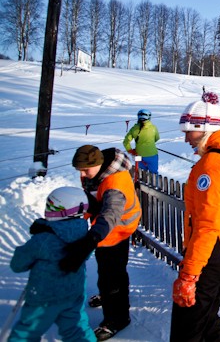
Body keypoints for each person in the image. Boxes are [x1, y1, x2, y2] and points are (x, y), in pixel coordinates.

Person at [171, 92, 220, 342]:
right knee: (206, 319)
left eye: (189, 131)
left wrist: (189, 274)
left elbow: (207, 225)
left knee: (187, 329)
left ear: (203, 128)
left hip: (211, 253)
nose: (185, 138)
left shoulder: (213, 164)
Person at [60, 145, 142, 341]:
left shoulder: (116, 184)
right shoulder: (93, 173)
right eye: (79, 170)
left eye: (85, 170)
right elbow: (92, 199)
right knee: (106, 270)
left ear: (98, 165)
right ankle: (108, 297)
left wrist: (91, 239)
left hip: (118, 229)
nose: (82, 174)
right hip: (105, 228)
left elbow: (109, 215)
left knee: (112, 275)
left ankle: (118, 319)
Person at [9, 187, 96, 342]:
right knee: (76, 330)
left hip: (43, 298)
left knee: (27, 332)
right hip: (73, 294)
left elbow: (18, 264)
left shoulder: (43, 239)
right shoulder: (84, 236)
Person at [122, 109, 160, 173]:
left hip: (138, 155)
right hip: (152, 154)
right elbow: (156, 138)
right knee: (154, 173)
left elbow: (125, 142)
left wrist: (130, 150)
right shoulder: (153, 128)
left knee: (140, 173)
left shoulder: (134, 129)